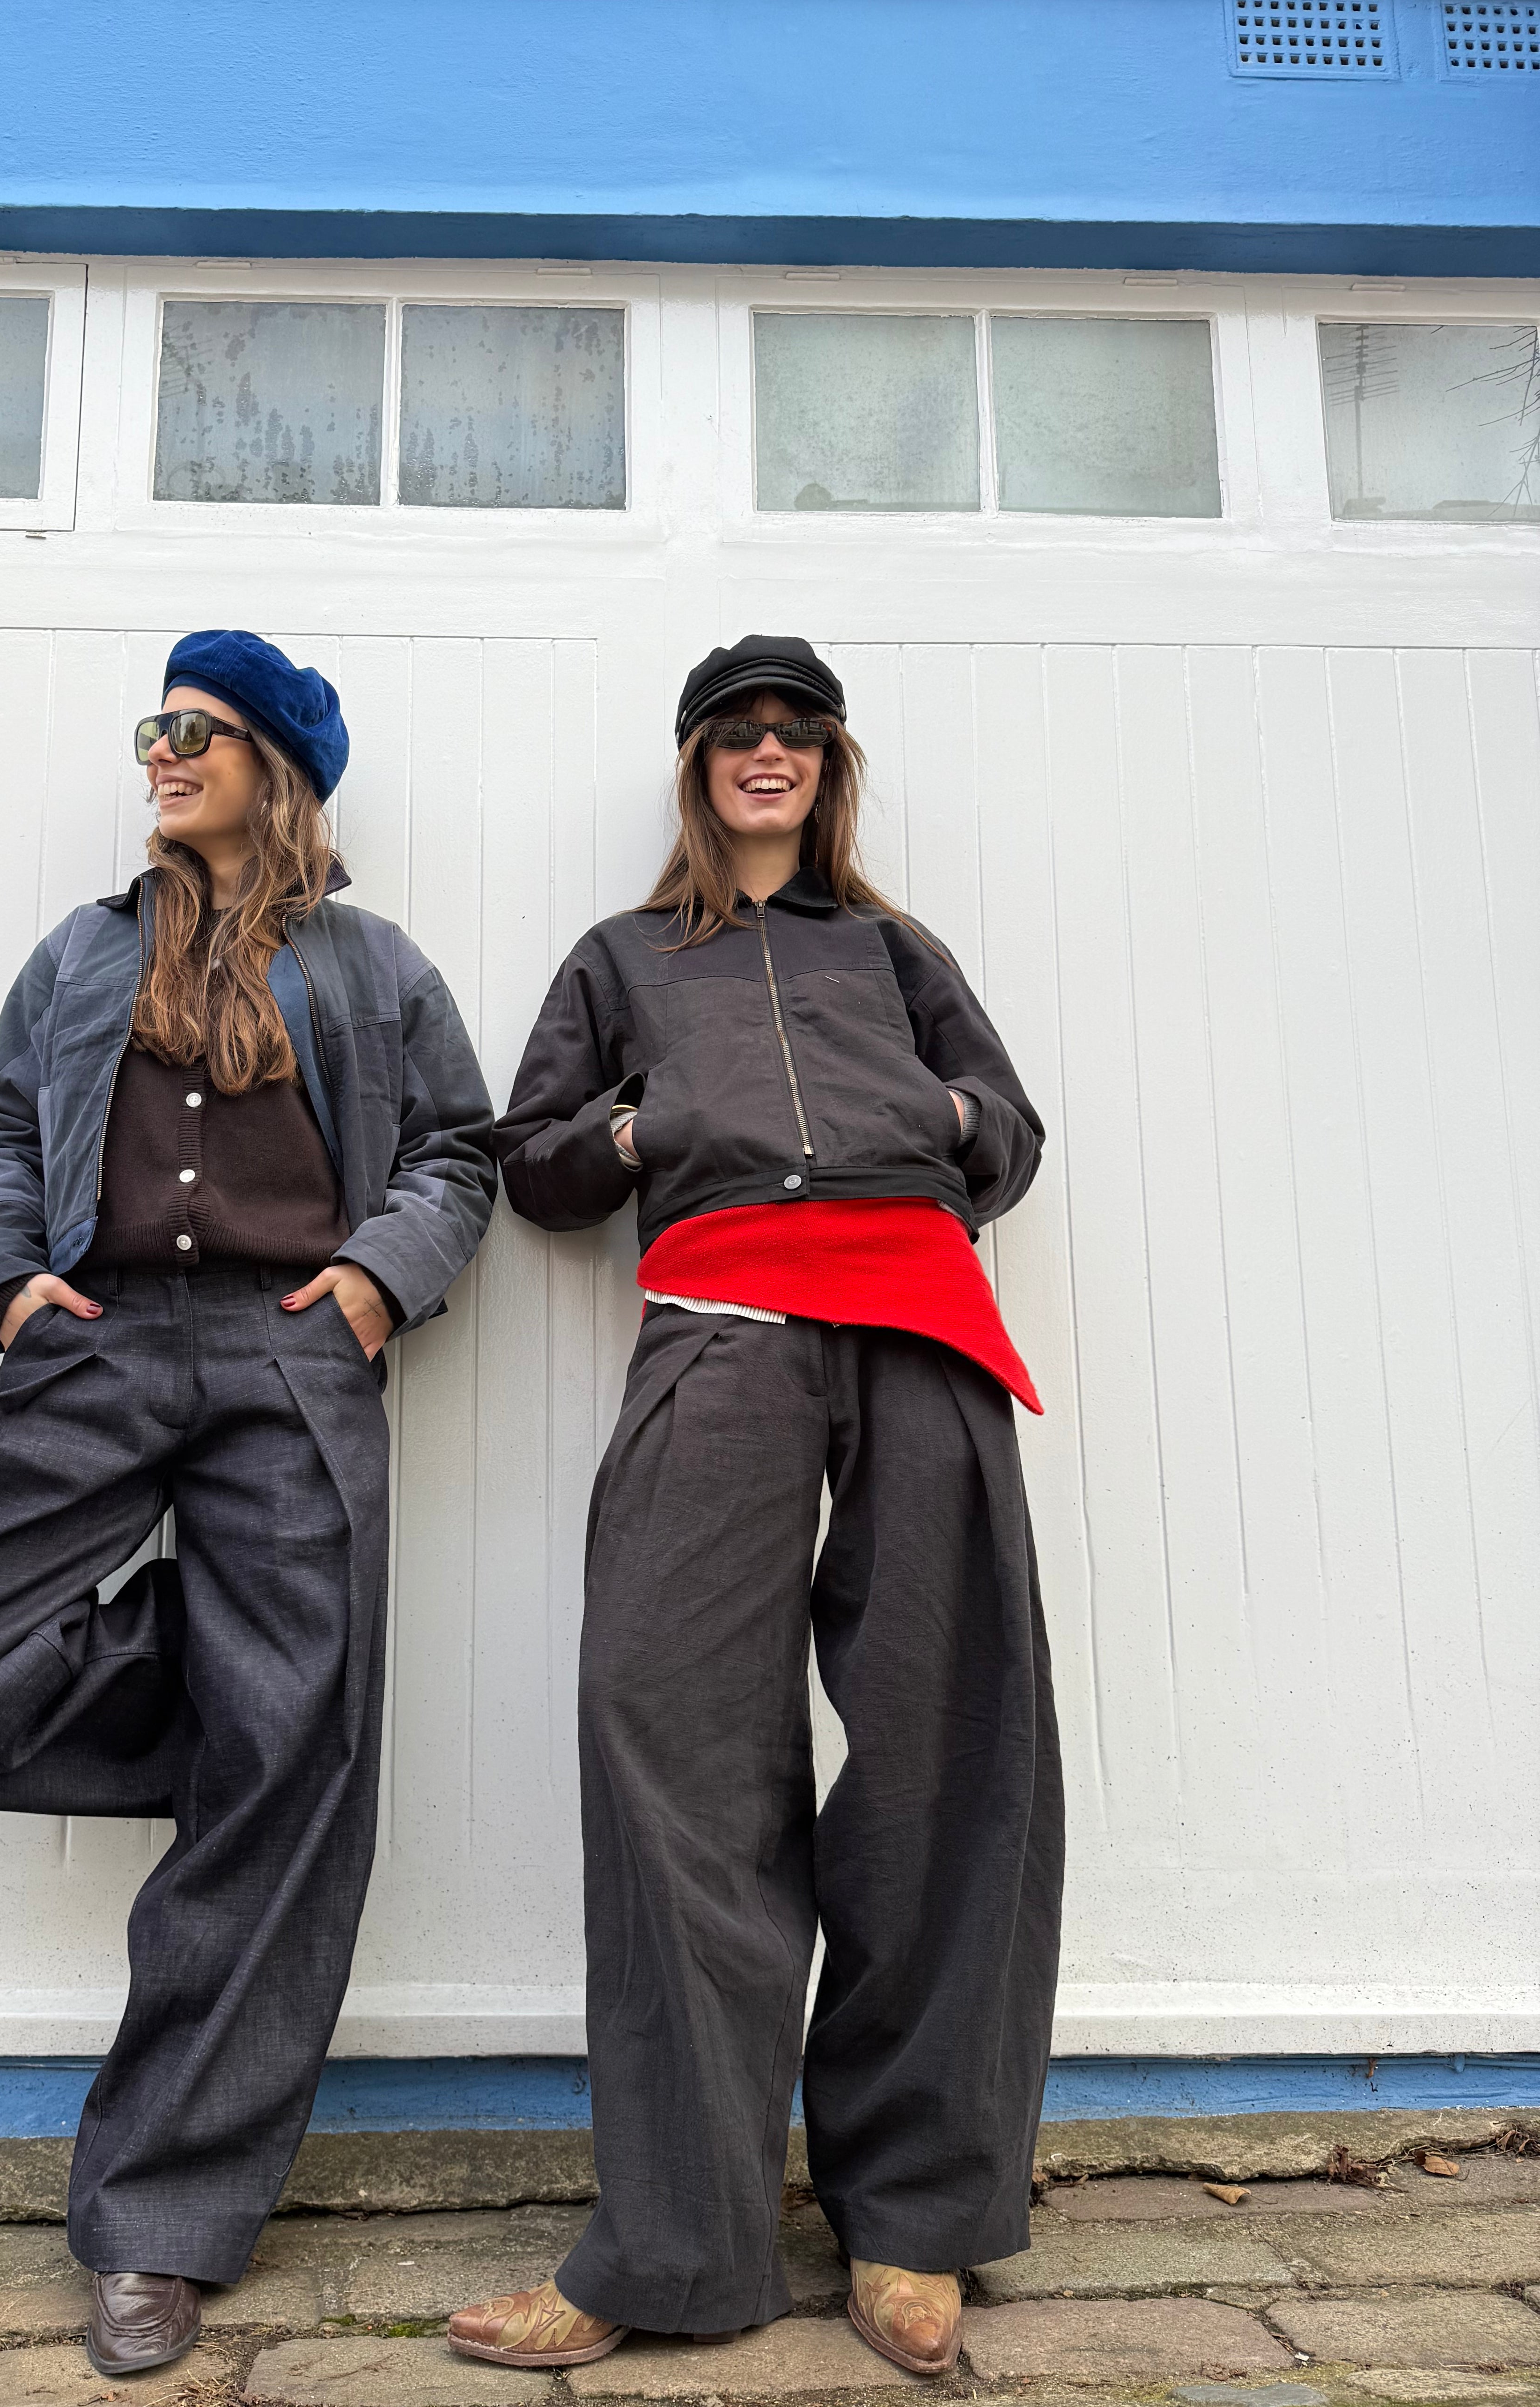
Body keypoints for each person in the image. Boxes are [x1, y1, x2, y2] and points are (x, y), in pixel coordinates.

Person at [0, 630, 496, 2380]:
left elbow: (457, 1150)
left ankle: (157, 2231)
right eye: (155, 729)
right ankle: (261, 1708)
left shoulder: (371, 963)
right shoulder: (81, 951)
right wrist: (6, 1288)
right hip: (96, 1342)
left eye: (197, 730)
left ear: (278, 767)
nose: (163, 753)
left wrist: (371, 1285)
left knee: (287, 1765)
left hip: (288, 1355)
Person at [451, 636, 1061, 2378]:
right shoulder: (623, 955)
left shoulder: (895, 950)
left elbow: (1009, 1136)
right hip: (717, 1324)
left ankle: (915, 2218)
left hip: (919, 1321)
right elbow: (534, 1164)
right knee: (667, 1735)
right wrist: (642, 1128)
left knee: (948, 1742)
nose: (768, 751)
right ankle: (675, 2241)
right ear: (699, 762)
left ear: (830, 764)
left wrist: (931, 1107)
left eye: (798, 731)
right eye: (739, 731)